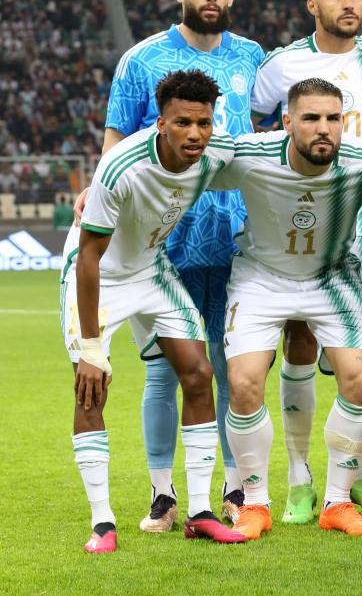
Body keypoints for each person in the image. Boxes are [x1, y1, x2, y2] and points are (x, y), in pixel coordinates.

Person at [99, 0, 266, 527]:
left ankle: (231, 489)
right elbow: (115, 142)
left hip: (238, 236)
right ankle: (163, 494)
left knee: (227, 363)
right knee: (164, 371)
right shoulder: (141, 60)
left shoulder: (252, 57)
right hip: (164, 240)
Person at [248, 0, 362, 522]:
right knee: (299, 342)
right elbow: (254, 124)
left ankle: (360, 475)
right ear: (312, 6)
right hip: (306, 225)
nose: (349, 4)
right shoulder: (282, 64)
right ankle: (299, 478)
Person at [66, 70, 245, 552]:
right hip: (100, 273)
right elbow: (88, 257)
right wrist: (90, 347)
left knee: (199, 373)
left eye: (204, 123)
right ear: (161, 123)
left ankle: (200, 511)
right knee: (91, 385)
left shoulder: (216, 151)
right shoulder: (122, 167)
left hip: (151, 269)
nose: (195, 134)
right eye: (183, 122)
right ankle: (102, 523)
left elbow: (262, 154)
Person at [214, 78, 362, 539]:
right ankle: (254, 505)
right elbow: (180, 164)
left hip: (331, 276)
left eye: (333, 118)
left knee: (360, 380)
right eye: (311, 118)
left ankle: (337, 501)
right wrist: (102, 184)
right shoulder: (249, 155)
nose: (324, 128)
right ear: (287, 122)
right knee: (243, 382)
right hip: (261, 278)